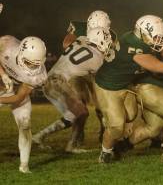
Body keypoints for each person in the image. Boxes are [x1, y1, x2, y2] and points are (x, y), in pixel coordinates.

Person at [95, 15, 163, 163]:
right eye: (156, 37)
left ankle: (122, 144)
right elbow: (159, 67)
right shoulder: (135, 47)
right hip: (109, 86)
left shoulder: (136, 38)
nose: (160, 41)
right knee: (117, 126)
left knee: (142, 120)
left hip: (128, 84)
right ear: (142, 34)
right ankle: (106, 151)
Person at [32, 28, 113, 153]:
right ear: (99, 40)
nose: (108, 42)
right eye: (106, 39)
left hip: (51, 79)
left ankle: (72, 145)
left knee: (81, 113)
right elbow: (102, 80)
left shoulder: (80, 40)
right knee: (78, 113)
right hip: (57, 82)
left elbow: (69, 43)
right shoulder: (97, 58)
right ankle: (39, 137)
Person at [0, 35, 48, 173]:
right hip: (2, 86)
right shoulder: (6, 44)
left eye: (36, 64)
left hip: (16, 93)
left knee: (25, 124)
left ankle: (24, 166)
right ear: (21, 53)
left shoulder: (40, 76)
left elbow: (18, 98)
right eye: (29, 63)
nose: (33, 67)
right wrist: (3, 74)